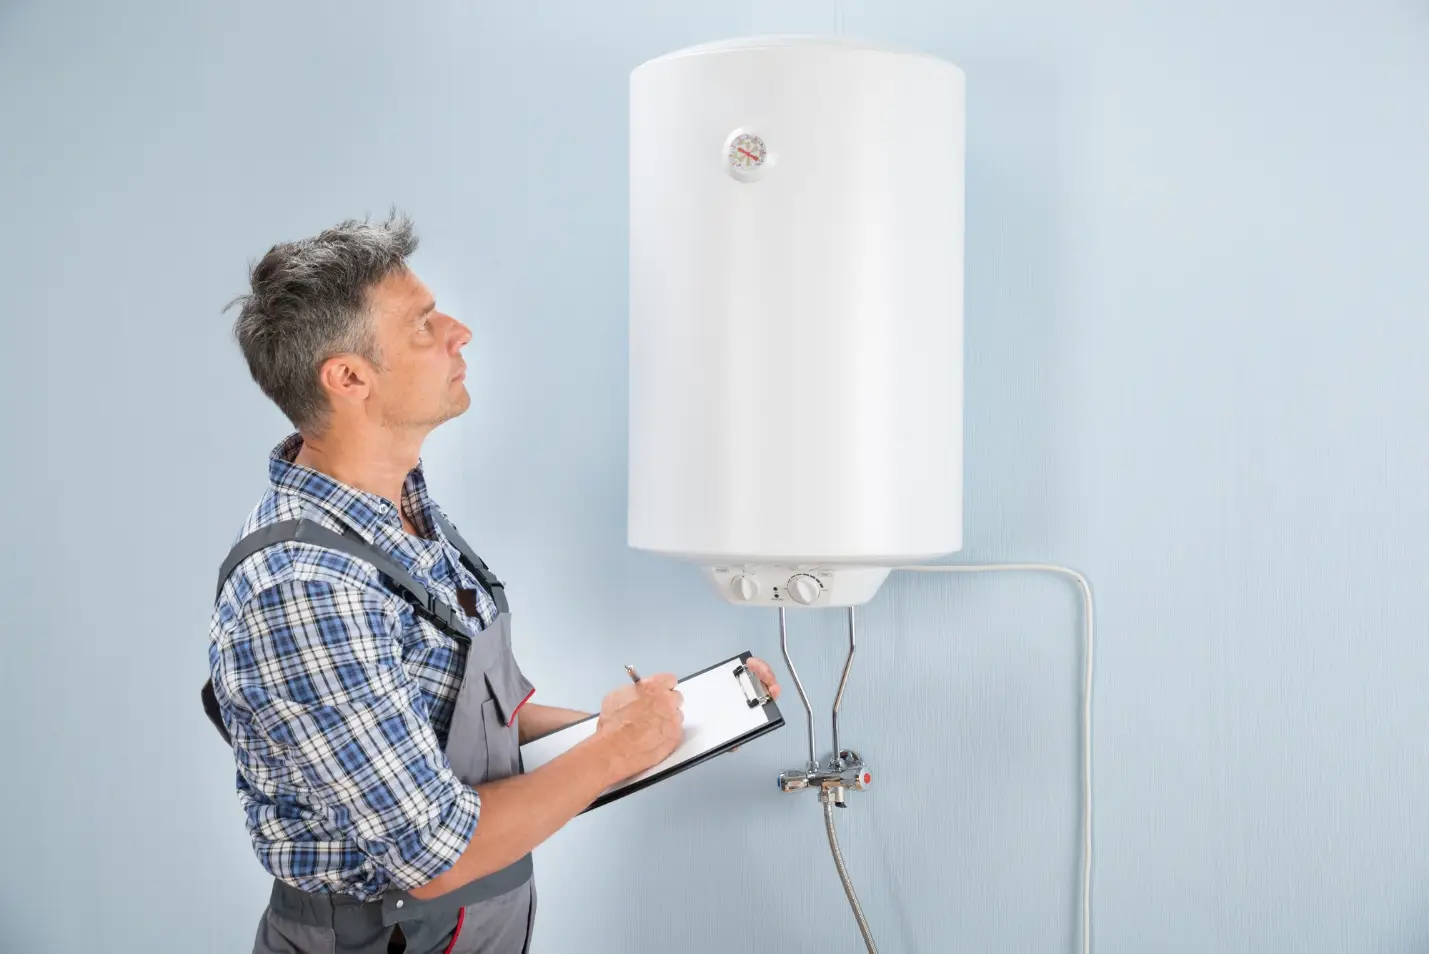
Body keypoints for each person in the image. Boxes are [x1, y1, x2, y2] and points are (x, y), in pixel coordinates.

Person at [204, 212, 783, 954]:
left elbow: (457, 713)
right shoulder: (305, 588)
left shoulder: (401, 513)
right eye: (422, 325)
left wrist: (663, 733)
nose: (459, 332)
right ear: (348, 377)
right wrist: (613, 750)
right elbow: (434, 852)